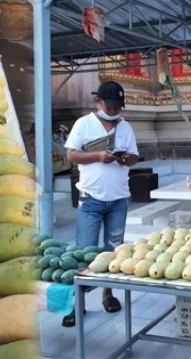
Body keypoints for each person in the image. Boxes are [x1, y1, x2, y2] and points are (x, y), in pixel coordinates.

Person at [62, 80, 139, 327]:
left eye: (119, 107)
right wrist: (97, 156)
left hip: (118, 199)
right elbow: (71, 155)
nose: (115, 111)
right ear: (99, 102)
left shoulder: (125, 127)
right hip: (91, 200)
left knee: (113, 252)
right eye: (111, 106)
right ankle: (77, 304)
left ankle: (108, 294)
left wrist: (126, 159)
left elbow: (136, 155)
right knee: (84, 253)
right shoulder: (84, 124)